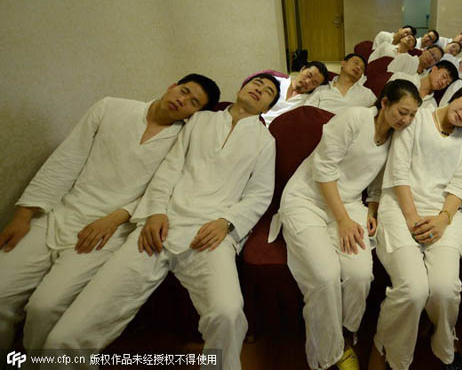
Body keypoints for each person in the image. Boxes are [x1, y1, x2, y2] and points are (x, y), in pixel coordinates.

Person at [45, 72, 281, 370]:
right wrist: (156, 212)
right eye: (257, 83)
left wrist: (226, 222)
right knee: (76, 326)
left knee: (228, 312)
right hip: (161, 226)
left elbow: (260, 194)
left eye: (269, 91)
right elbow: (169, 168)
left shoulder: (264, 141)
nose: (260, 89)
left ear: (268, 108)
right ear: (241, 88)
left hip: (211, 236)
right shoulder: (199, 121)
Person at [0, 74, 220, 351]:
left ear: (195, 114)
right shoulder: (110, 108)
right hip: (60, 212)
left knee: (45, 307)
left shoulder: (183, 139)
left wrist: (114, 219)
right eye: (184, 91)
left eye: (193, 102)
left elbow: (160, 190)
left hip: (113, 229)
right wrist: (24, 214)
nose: (182, 100)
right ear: (171, 86)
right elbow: (66, 160)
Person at [278, 80, 422, 370]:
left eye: (412, 115)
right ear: (384, 103)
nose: (405, 120)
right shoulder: (354, 118)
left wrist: (370, 209)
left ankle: (344, 330)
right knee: (325, 276)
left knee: (359, 275)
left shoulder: (396, 137)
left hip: (350, 204)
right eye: (401, 112)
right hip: (307, 198)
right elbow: (323, 168)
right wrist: (343, 219)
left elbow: (379, 183)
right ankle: (328, 354)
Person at [371, 85, 462, 370]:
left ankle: (443, 345)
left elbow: (461, 181)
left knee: (445, 289)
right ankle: (392, 352)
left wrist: (443, 219)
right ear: (458, 94)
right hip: (401, 205)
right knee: (413, 288)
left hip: (444, 213)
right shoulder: (417, 119)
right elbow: (399, 169)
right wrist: (411, 217)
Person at [305, 54, 376, 114]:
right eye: (356, 63)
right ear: (343, 64)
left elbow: (378, 114)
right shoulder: (321, 89)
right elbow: (306, 111)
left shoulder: (367, 94)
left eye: (362, 68)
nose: (358, 68)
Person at [263, 62, 329, 125]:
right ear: (302, 69)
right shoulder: (276, 82)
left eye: (314, 83)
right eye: (308, 75)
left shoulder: (308, 101)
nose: (307, 81)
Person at [388, 61, 459, 110]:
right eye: (444, 76)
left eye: (447, 83)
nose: (444, 82)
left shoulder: (432, 106)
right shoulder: (401, 77)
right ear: (434, 69)